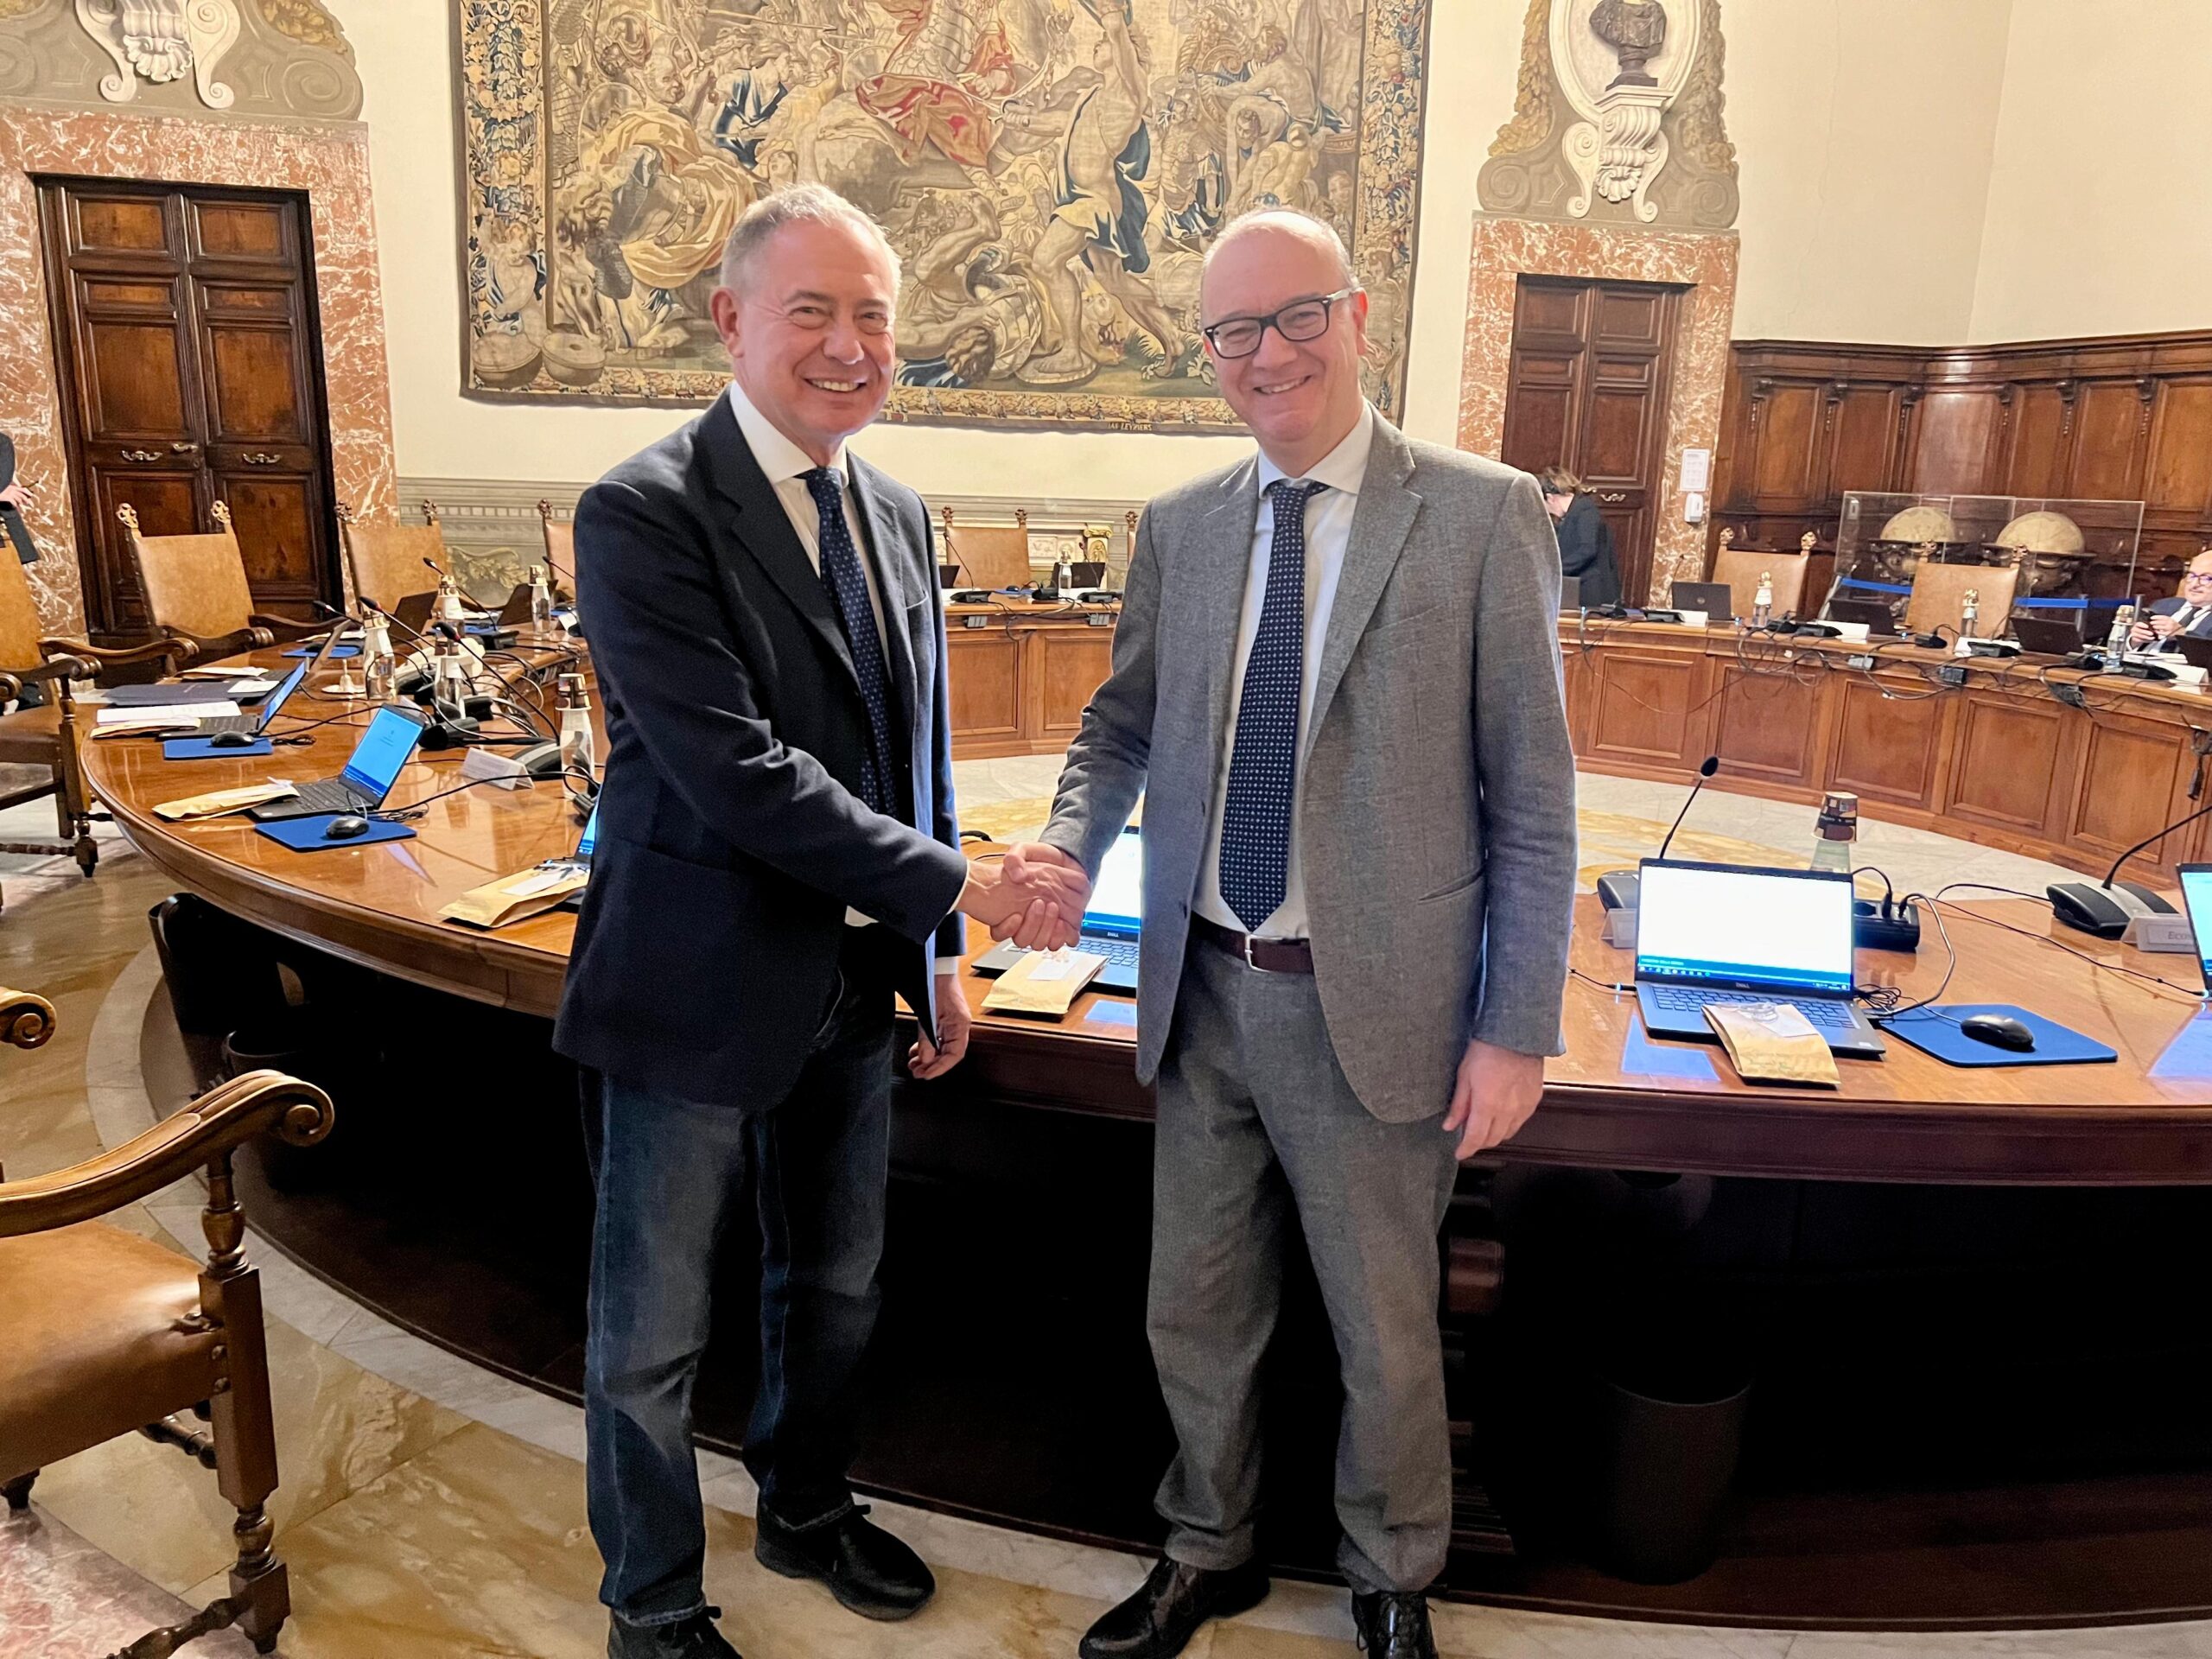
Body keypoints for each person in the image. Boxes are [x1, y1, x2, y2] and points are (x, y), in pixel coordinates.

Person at [997, 209, 1577, 1659]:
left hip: (1376, 1008)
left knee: (1386, 1331)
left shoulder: (1482, 514)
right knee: (1193, 1309)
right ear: (1208, 351)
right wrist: (1069, 844)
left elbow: (1533, 796)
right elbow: (1120, 724)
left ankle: (1392, 1574)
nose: (1269, 354)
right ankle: (1206, 1543)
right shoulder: (1184, 525)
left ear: (1358, 316)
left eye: (1297, 316)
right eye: (1234, 331)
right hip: (1202, 993)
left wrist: (1516, 1025)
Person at [556, 184, 1082, 1659]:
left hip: (856, 983)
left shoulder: (896, 512)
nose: (850, 345)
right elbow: (738, 774)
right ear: (731, 320)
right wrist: (966, 883)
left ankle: (804, 1505)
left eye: (873, 317)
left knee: (835, 1285)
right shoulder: (644, 511)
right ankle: (653, 1603)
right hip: (690, 984)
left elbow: (917, 752)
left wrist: (938, 956)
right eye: (813, 310)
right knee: (652, 1332)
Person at [1538, 465, 1619, 608]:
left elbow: (1587, 550)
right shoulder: (1574, 512)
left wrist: (1556, 571)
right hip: (1579, 587)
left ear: (1550, 498)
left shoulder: (1585, 511)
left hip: (1591, 590)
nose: (1548, 511)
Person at [2129, 547, 2212, 652]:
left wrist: (2182, 634)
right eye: (2192, 576)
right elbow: (2124, 645)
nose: (2194, 584)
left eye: (2205, 578)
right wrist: (2135, 641)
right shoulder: (2163, 605)